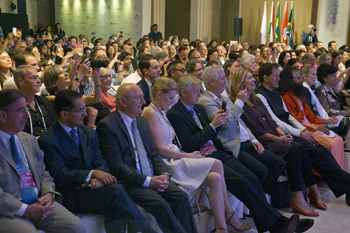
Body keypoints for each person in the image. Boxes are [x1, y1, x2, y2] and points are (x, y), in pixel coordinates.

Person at [167, 74, 314, 233]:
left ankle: (273, 224)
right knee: (241, 180)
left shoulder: (198, 108)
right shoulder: (175, 114)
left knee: (252, 177)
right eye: (195, 92)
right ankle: (279, 224)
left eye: (198, 91)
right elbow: (190, 144)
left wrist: (215, 130)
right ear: (183, 92)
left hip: (218, 151)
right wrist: (213, 125)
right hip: (201, 157)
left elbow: (216, 134)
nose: (198, 94)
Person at [143, 77, 251, 233]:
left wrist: (186, 154)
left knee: (215, 178)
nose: (172, 101)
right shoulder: (151, 113)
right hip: (167, 161)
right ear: (159, 94)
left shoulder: (161, 110)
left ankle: (222, 228)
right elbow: (160, 149)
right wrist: (188, 156)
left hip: (175, 154)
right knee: (217, 164)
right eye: (170, 97)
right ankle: (229, 214)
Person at [38, 89, 155, 233]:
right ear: (64, 114)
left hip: (95, 188)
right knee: (116, 191)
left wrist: (99, 176)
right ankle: (147, 230)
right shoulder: (49, 140)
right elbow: (60, 175)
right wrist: (92, 174)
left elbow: (101, 161)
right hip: (72, 193)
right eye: (80, 111)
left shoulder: (88, 132)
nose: (86, 114)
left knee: (114, 209)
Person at [96, 83, 197, 233]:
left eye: (143, 97)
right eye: (139, 98)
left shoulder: (141, 121)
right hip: (130, 182)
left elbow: (153, 153)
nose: (143, 102)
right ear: (123, 101)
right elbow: (117, 165)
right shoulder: (108, 126)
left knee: (181, 196)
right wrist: (148, 182)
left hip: (152, 176)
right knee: (160, 204)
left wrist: (164, 175)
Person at [231, 68, 325, 216]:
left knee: (299, 147)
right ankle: (298, 197)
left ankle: (312, 190)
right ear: (241, 83)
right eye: (249, 78)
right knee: (294, 149)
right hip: (264, 141)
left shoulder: (257, 99)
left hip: (275, 137)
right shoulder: (237, 103)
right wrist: (279, 139)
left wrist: (283, 135)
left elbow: (272, 121)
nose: (254, 80)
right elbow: (256, 131)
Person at [256, 63, 350, 206]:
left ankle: (346, 185)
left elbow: (289, 117)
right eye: (275, 76)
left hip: (291, 130)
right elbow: (275, 121)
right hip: (279, 135)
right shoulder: (261, 95)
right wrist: (300, 132)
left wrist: (304, 131)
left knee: (321, 150)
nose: (278, 79)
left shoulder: (275, 94)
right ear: (265, 77)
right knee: (315, 152)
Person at [0, 89, 84, 233]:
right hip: (8, 210)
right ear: (3, 115)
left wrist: (48, 194)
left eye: (26, 109)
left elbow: (43, 172)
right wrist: (26, 210)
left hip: (37, 201)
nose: (27, 115)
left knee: (76, 227)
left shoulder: (29, 139)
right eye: (20, 110)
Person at [199, 66, 285, 196]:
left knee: (278, 163)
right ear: (211, 82)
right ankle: (260, 201)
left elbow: (241, 122)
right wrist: (239, 102)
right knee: (260, 171)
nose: (225, 82)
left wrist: (253, 139)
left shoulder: (222, 98)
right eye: (222, 79)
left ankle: (261, 198)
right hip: (234, 144)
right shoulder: (206, 101)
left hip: (247, 140)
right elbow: (226, 124)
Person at [280, 66, 345, 169]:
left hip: (312, 125)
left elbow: (310, 115)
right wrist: (316, 127)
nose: (301, 80)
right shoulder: (287, 97)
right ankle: (325, 175)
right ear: (290, 81)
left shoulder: (299, 93)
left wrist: (320, 124)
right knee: (330, 143)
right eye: (298, 78)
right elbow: (297, 120)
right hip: (305, 129)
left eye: (300, 77)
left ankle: (339, 171)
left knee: (338, 140)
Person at [14, 65, 56, 137]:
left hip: (49, 143)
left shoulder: (45, 102)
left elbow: (55, 127)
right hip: (26, 145)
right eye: (34, 78)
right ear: (21, 81)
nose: (38, 81)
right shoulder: (13, 106)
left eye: (38, 77)